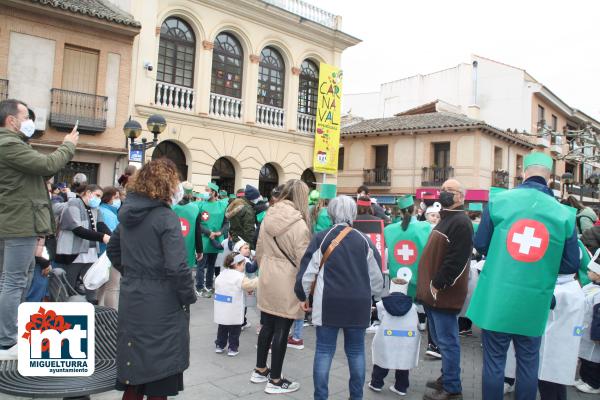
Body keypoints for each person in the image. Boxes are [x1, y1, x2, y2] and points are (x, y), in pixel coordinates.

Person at [467, 152, 579, 400]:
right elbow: (571, 263)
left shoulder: (498, 201)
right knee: (529, 362)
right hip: (535, 299)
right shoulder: (565, 214)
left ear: (524, 173)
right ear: (550, 179)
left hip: (498, 297)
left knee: (494, 361)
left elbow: (481, 243)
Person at [106, 159, 196, 400]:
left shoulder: (128, 213)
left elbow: (113, 250)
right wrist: (188, 296)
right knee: (159, 373)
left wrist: (134, 273)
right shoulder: (166, 217)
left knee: (134, 370)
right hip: (162, 304)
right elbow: (178, 267)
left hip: (133, 296)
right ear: (166, 185)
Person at [0, 99, 77, 359]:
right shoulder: (8, 143)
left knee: (12, 280)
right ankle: (7, 340)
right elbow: (47, 166)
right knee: (14, 281)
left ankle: (8, 333)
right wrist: (68, 144)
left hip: (14, 221)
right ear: (11, 120)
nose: (29, 121)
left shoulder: (11, 144)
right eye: (25, 116)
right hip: (19, 223)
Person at [295, 195, 384, 400]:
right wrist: (374, 296)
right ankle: (356, 397)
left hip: (328, 303)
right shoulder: (364, 240)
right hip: (358, 304)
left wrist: (302, 295)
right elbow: (377, 278)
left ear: (331, 213)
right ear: (353, 213)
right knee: (356, 352)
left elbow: (307, 271)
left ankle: (321, 397)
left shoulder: (322, 237)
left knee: (324, 351)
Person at [251, 179, 311, 394]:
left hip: (267, 274)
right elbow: (304, 261)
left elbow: (258, 248)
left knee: (266, 324)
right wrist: (307, 290)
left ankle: (260, 369)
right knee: (282, 330)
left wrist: (265, 268)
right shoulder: (300, 225)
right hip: (288, 280)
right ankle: (275, 380)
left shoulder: (269, 214)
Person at [416, 179, 474, 400]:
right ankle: (447, 377)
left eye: (449, 191)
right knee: (441, 339)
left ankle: (452, 388)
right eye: (442, 190)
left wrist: (438, 283)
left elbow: (456, 261)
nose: (443, 194)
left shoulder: (460, 222)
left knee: (448, 341)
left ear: (460, 196)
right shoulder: (447, 219)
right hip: (434, 294)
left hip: (443, 294)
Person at [385, 195, 436, 356]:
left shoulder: (389, 230)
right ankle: (433, 344)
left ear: (399, 212)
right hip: (420, 280)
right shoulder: (425, 228)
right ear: (415, 210)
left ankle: (397, 343)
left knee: (399, 313)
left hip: (398, 282)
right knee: (430, 313)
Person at [369, 268, 420, 396]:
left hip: (387, 337)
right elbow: (417, 323)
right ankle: (401, 387)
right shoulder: (413, 306)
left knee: (382, 359)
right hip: (407, 339)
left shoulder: (382, 304)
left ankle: (376, 383)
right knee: (403, 362)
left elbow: (380, 318)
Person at [56, 184, 111, 303]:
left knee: (92, 287)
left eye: (100, 197)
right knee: (67, 287)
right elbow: (77, 229)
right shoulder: (74, 203)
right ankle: (65, 316)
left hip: (91, 253)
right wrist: (103, 237)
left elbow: (101, 225)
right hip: (72, 253)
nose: (99, 199)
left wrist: (112, 237)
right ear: (88, 193)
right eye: (97, 195)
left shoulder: (95, 208)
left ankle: (94, 315)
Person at [214, 252, 258, 357]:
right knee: (234, 329)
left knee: (222, 327)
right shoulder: (239, 277)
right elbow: (249, 286)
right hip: (233, 308)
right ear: (237, 264)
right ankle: (232, 348)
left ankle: (220, 346)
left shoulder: (222, 273)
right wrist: (258, 279)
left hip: (221, 306)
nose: (244, 267)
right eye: (243, 264)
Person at [196, 182, 228, 298]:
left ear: (214, 193)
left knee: (211, 265)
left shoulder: (222, 206)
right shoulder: (200, 206)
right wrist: (209, 232)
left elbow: (226, 223)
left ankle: (209, 285)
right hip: (204, 240)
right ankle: (199, 287)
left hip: (216, 240)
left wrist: (219, 232)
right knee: (201, 265)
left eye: (208, 190)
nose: (205, 192)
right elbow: (197, 224)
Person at [576, 258, 600, 394]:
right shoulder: (590, 287)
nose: (588, 272)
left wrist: (597, 335)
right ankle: (584, 378)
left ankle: (593, 384)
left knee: (593, 360)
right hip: (583, 330)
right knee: (584, 357)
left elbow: (599, 316)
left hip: (593, 334)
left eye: (591, 270)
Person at [97, 186, 122, 309]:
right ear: (109, 198)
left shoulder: (102, 210)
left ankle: (101, 310)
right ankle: (112, 315)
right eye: (116, 197)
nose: (118, 200)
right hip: (109, 253)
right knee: (112, 287)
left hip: (103, 252)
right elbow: (115, 234)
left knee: (103, 286)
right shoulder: (108, 213)